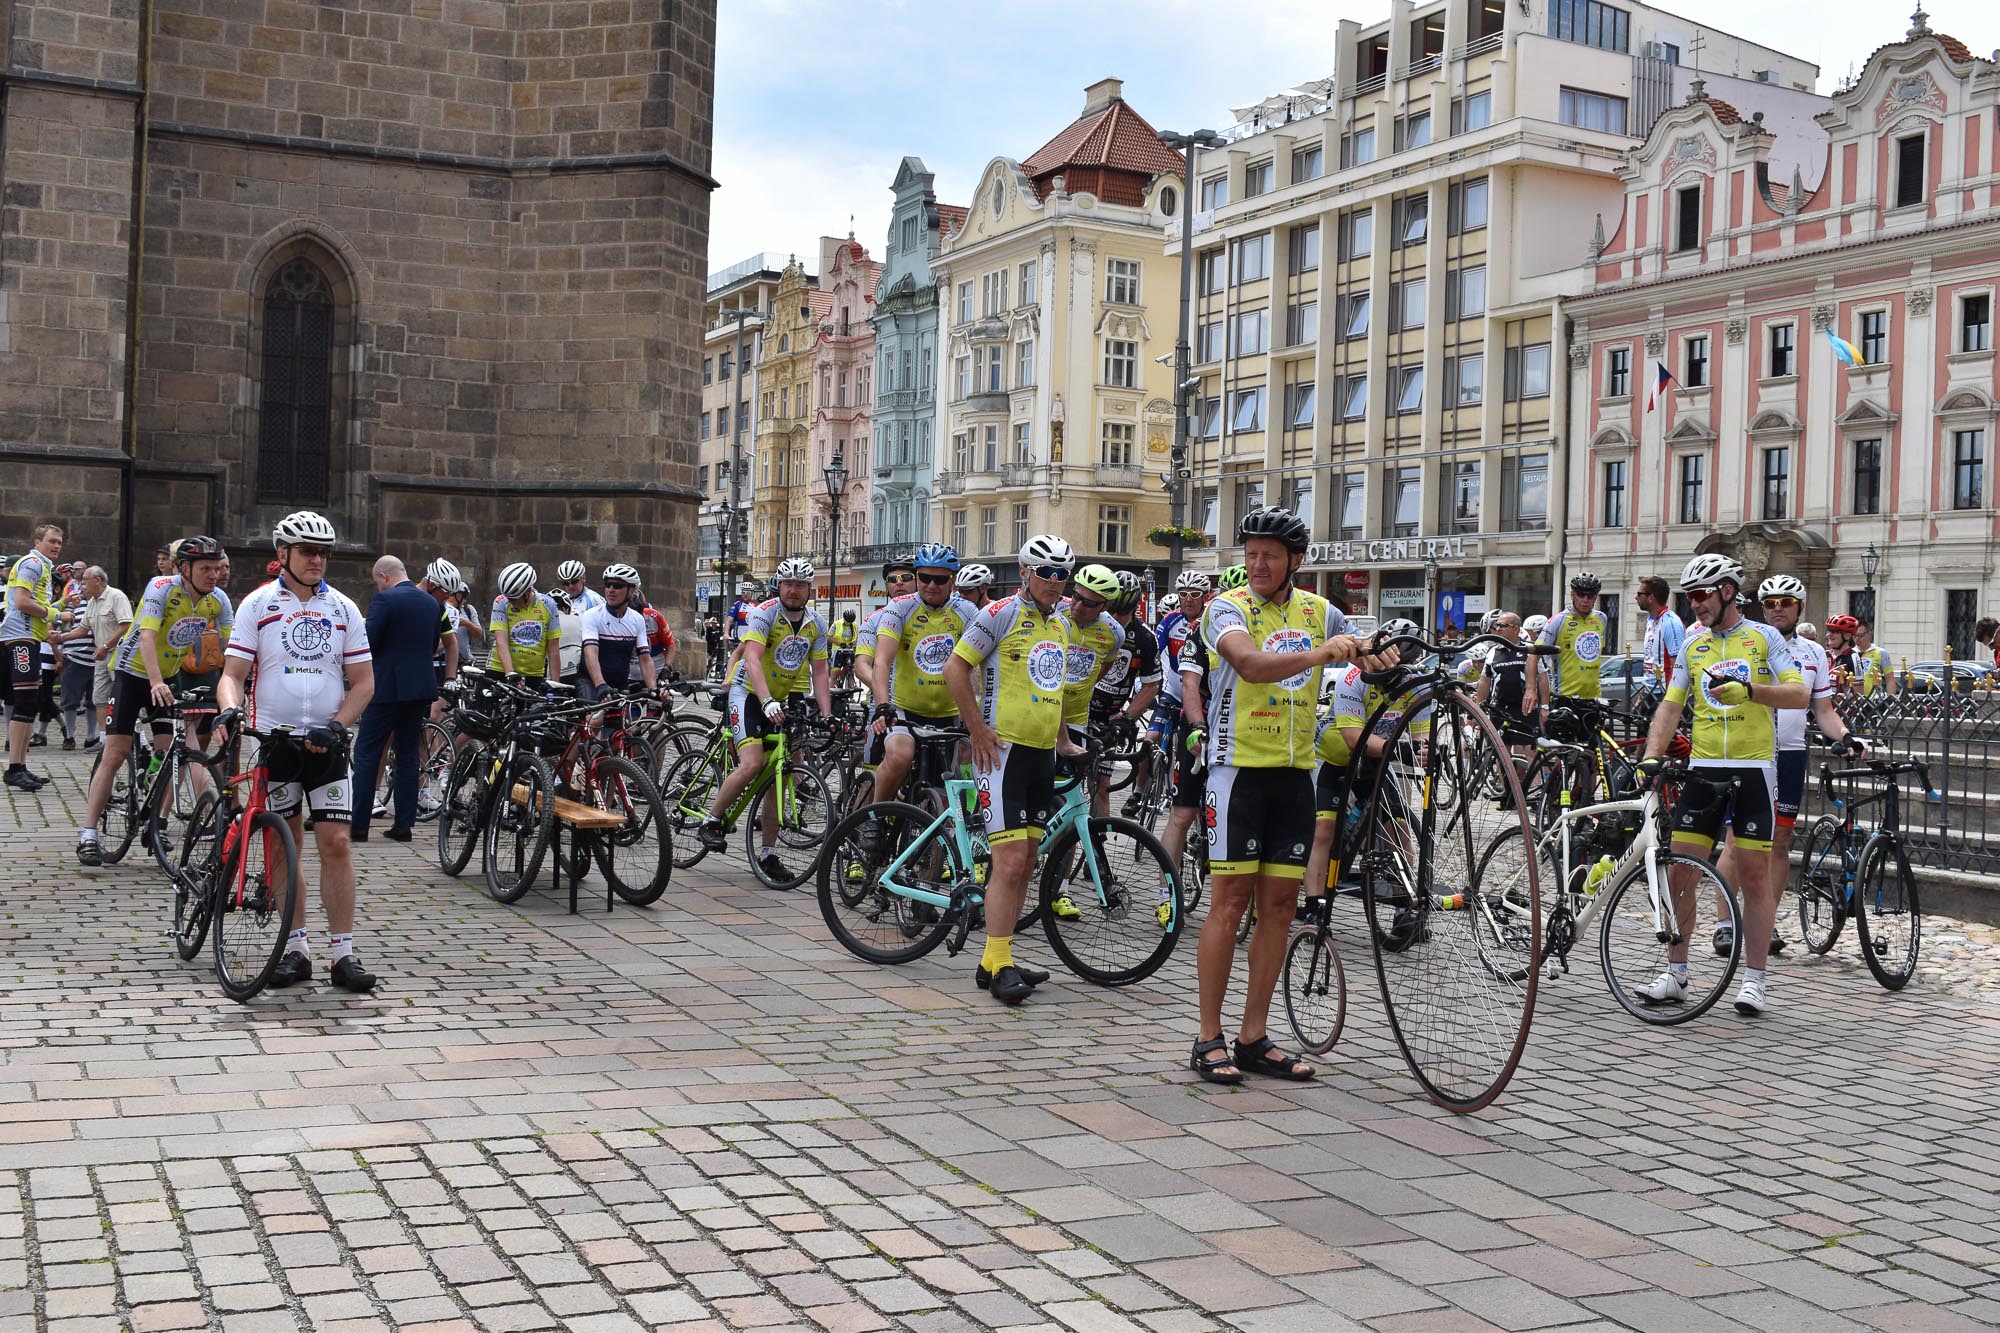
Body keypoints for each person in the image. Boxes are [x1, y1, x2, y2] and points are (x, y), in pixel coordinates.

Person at [1190, 508, 1369, 1085]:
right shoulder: (1228, 606)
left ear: (1296, 560)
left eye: (1269, 554)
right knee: (1229, 903)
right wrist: (1322, 655)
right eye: (1250, 553)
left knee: (1280, 910)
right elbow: (1247, 664)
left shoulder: (1321, 611)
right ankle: (1208, 1037)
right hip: (1236, 771)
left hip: (1296, 773)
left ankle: (1253, 1037)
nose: (1257, 564)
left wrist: (1380, 656)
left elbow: (1359, 651)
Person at [1638, 553, 1807, 1018]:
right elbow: (1671, 706)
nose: (1695, 605)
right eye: (1689, 596)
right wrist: (1653, 753)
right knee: (1681, 873)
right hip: (1704, 769)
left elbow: (1799, 693)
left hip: (1753, 770)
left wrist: (1752, 691)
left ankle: (1755, 980)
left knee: (1753, 877)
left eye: (1702, 595)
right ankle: (1676, 973)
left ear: (1728, 591)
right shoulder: (1693, 645)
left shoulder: (1764, 637)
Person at [217, 510, 377, 992]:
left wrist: (337, 725)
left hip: (326, 745)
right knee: (284, 849)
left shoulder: (345, 609)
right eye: (308, 551)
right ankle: (296, 949)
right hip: (276, 743)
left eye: (324, 552)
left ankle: (343, 954)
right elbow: (232, 675)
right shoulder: (258, 605)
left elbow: (365, 683)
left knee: (338, 843)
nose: (317, 560)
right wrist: (228, 710)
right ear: (282, 554)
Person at [943, 535, 1086, 1006]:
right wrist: (977, 730)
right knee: (1006, 863)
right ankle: (1000, 963)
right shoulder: (999, 613)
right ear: (1025, 571)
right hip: (1002, 754)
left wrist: (1064, 739)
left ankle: (995, 957)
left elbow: (1056, 683)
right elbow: (955, 669)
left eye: (1063, 573)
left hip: (1041, 754)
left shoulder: (1062, 622)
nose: (1055, 581)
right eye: (1046, 572)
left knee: (1026, 860)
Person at [1715, 574, 1865, 958]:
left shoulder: (1814, 653)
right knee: (1737, 840)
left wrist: (1846, 737)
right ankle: (1725, 924)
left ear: (1799, 607)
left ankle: (1765, 919)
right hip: (1750, 752)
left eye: (1785, 601)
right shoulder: (1749, 642)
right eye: (1770, 602)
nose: (1777, 608)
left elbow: (1825, 712)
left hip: (1790, 753)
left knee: (1779, 841)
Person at [701, 557, 830, 882]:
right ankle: (711, 820)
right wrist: (768, 700)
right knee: (753, 763)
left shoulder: (816, 622)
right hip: (748, 693)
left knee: (777, 778)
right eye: (788, 584)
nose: (793, 590)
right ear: (779, 585)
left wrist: (827, 716)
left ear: (809, 588)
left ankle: (769, 854)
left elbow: (820, 671)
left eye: (800, 585)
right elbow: (753, 659)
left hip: (780, 697)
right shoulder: (765, 613)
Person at [1304, 619, 1429, 924]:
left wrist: (1426, 751)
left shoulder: (1417, 685)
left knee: (1398, 827)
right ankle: (1314, 907)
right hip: (1332, 758)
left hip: (1378, 759)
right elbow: (1353, 739)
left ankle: (1404, 906)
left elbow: (1420, 738)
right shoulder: (1353, 677)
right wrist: (1403, 750)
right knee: (1325, 830)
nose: (1393, 678)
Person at [1155, 566, 1240, 927]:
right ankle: (1165, 895)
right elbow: (1188, 684)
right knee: (1183, 814)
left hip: (1240, 738)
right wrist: (1195, 727)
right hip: (1199, 730)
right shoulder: (1198, 633)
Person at [867, 544, 978, 808]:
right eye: (924, 577)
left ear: (952, 580)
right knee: (899, 756)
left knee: (945, 793)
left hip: (948, 713)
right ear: (916, 576)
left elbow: (977, 667)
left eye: (940, 579)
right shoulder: (900, 608)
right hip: (905, 709)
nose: (931, 584)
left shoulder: (967, 612)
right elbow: (882, 660)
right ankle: (874, 816)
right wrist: (883, 705)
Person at [350, 555, 445, 844]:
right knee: (406, 755)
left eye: (377, 581)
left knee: (367, 752)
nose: (378, 586)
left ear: (384, 576)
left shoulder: (385, 601)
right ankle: (404, 825)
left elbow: (368, 642)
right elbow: (432, 646)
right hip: (419, 689)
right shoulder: (431, 603)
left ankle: (359, 825)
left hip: (386, 688)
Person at [1090, 572, 1159, 832]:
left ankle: (1097, 850)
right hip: (1077, 713)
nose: (1115, 619)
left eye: (1123, 612)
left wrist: (1129, 716)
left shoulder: (1144, 638)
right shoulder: (1092, 626)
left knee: (1101, 786)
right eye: (1111, 610)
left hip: (1108, 719)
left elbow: (1151, 685)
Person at [3, 523, 64, 790]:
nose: (57, 546)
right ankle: (14, 768)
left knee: (30, 702)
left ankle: (20, 766)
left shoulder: (43, 566)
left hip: (30, 639)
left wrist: (48, 628)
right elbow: (22, 602)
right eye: (52, 541)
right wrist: (57, 615)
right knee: (25, 701)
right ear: (37, 542)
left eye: (60, 542)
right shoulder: (32, 563)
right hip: (19, 639)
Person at [1525, 571, 1606, 714]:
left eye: (1590, 596)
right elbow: (1533, 656)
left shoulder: (1601, 619)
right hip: (1564, 697)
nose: (1585, 600)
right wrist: (1531, 690)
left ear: (1595, 597)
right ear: (1572, 595)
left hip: (1593, 698)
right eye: (1581, 594)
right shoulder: (1558, 621)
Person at [581, 564, 659, 703]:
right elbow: (590, 653)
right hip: (591, 681)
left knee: (629, 723)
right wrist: (600, 684)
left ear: (631, 590)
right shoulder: (592, 615)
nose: (610, 590)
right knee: (595, 720)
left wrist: (653, 689)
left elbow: (645, 659)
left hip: (619, 683)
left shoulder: (637, 619)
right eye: (608, 584)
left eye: (617, 586)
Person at [79, 566, 132, 748]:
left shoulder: (116, 596)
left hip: (118, 654)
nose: (82, 584)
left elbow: (126, 625)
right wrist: (60, 637)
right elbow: (82, 629)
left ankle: (134, 737)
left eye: (85, 580)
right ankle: (103, 739)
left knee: (125, 696)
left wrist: (106, 645)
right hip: (101, 656)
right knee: (99, 697)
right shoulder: (92, 602)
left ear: (98, 580)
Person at [487, 563, 560, 685]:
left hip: (533, 674)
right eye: (508, 598)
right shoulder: (501, 601)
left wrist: (556, 685)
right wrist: (510, 673)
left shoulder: (549, 604)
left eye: (514, 598)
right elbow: (501, 641)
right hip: (500, 669)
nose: (510, 601)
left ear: (528, 590)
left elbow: (553, 649)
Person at [854, 556, 917, 690]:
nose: (899, 583)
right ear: (886, 586)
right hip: (885, 699)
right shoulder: (872, 619)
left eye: (906, 578)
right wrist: (885, 689)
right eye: (892, 579)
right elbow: (861, 666)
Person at [1635, 575, 1684, 700]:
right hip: (1649, 691)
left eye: (1639, 594)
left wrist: (1672, 699)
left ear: (1651, 598)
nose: (1636, 597)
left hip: (1663, 692)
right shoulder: (1651, 620)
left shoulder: (1670, 623)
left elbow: (1678, 665)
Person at [1850, 618, 1896, 697]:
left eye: (1860, 635)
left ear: (1869, 634)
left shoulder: (1881, 652)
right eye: (1854, 636)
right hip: (1853, 699)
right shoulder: (1850, 653)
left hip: (1874, 700)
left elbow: (1890, 679)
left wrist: (1891, 699)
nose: (1857, 639)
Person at [830, 609, 860, 688]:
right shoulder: (836, 624)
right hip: (838, 650)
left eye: (851, 622)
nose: (849, 623)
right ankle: (831, 694)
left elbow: (857, 637)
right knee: (835, 672)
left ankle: (849, 692)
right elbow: (829, 637)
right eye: (847, 621)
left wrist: (853, 643)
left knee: (850, 670)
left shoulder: (855, 625)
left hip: (849, 650)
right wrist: (840, 643)